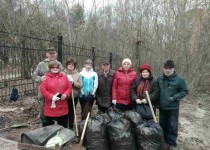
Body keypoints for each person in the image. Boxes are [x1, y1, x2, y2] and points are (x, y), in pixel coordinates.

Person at [157, 60, 188, 150]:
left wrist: (174, 97)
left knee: (172, 125)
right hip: (162, 106)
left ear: (173, 69)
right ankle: (163, 140)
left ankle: (172, 143)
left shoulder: (179, 79)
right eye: (166, 68)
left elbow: (184, 91)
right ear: (163, 69)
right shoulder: (160, 78)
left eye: (170, 68)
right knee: (162, 124)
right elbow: (157, 91)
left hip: (173, 107)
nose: (168, 70)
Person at [32, 47, 63, 127]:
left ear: (56, 54)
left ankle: (57, 125)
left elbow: (63, 74)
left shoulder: (59, 64)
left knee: (57, 108)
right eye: (50, 53)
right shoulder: (41, 64)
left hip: (56, 92)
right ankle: (45, 127)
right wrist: (40, 78)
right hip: (43, 93)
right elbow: (34, 75)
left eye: (53, 53)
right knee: (43, 110)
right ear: (47, 54)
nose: (52, 55)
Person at [40, 60, 72, 128]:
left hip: (63, 107)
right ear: (50, 68)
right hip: (50, 108)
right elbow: (43, 90)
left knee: (63, 127)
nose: (55, 68)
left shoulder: (64, 77)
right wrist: (52, 97)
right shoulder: (45, 78)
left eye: (56, 67)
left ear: (59, 68)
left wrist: (66, 94)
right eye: (53, 67)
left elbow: (69, 87)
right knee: (50, 129)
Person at [62, 58, 83, 129]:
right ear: (67, 65)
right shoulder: (62, 73)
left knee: (71, 112)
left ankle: (71, 126)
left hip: (74, 96)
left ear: (74, 66)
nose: (71, 66)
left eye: (72, 65)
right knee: (64, 112)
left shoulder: (78, 74)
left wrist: (73, 82)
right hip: (64, 96)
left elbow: (80, 85)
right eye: (69, 64)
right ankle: (64, 126)